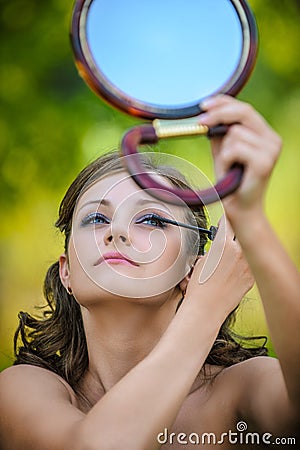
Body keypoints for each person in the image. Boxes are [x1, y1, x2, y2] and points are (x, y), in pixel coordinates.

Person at [0, 95, 299, 450]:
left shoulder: (241, 388)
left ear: (193, 266)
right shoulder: (21, 389)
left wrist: (250, 221)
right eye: (97, 218)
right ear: (66, 271)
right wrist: (204, 310)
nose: (118, 232)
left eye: (152, 219)